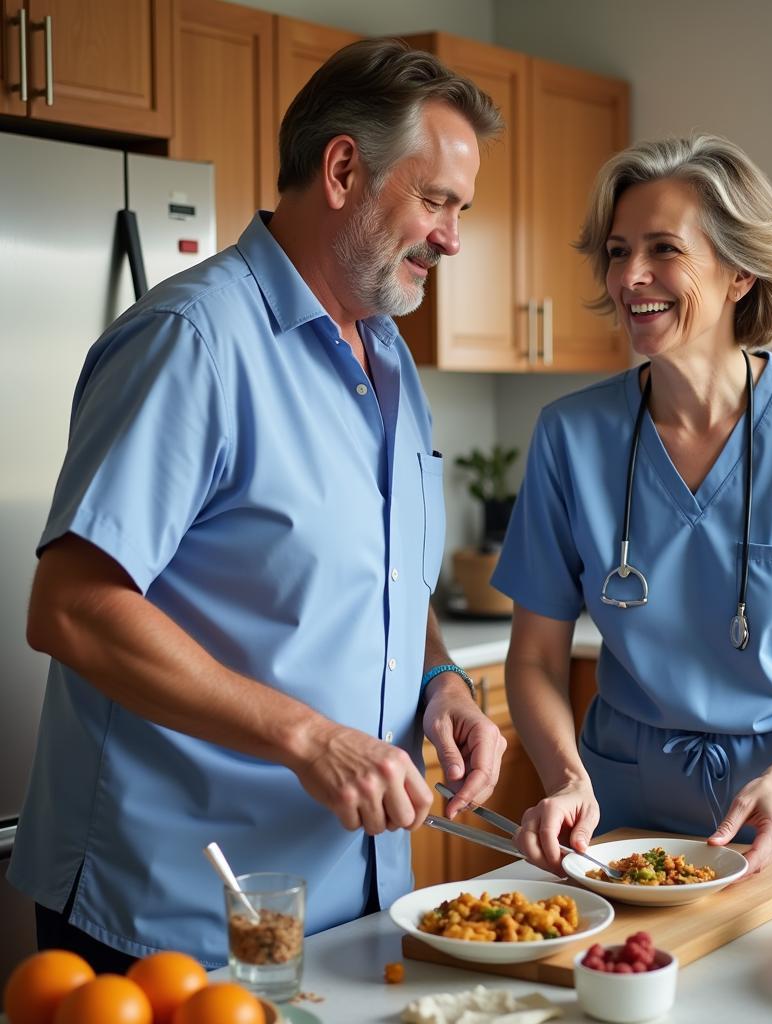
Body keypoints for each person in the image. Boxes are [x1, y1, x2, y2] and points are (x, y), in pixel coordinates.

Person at [10, 38, 506, 972]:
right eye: (436, 200)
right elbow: (72, 607)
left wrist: (442, 682)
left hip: (350, 904)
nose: (452, 236)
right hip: (170, 911)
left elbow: (388, 581)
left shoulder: (390, 361)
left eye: (459, 209)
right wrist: (310, 738)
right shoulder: (192, 340)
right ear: (344, 170)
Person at [492, 134, 772, 878]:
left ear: (739, 274)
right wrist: (567, 776)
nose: (631, 276)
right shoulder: (570, 435)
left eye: (663, 249)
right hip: (631, 809)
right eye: (616, 250)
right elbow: (535, 657)